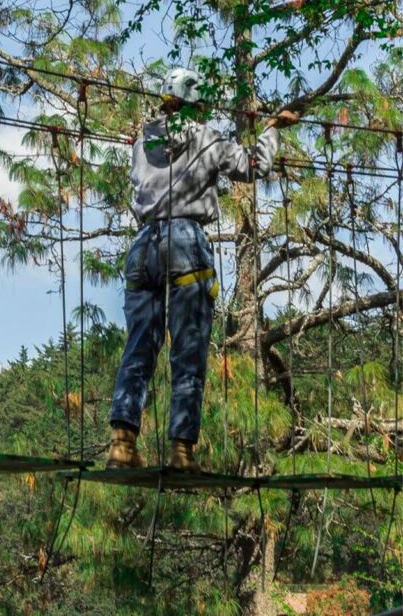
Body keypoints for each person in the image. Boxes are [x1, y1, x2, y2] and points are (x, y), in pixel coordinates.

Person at [106, 67, 298, 471]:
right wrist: (273, 129)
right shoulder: (207, 136)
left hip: (143, 248)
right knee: (188, 351)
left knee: (139, 347)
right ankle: (181, 452)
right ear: (197, 104)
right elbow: (253, 166)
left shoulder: (143, 141)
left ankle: (121, 447)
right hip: (186, 244)